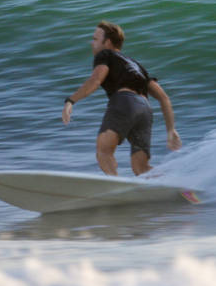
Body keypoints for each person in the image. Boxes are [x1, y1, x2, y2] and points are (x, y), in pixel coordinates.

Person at [61, 21, 182, 176]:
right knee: (142, 169)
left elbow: (95, 80)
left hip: (125, 102)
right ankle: (175, 182)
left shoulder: (105, 55)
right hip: (145, 110)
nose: (91, 43)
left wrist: (71, 101)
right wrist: (171, 130)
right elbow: (164, 98)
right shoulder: (136, 65)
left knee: (103, 151)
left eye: (95, 39)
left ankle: (116, 186)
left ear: (108, 42)